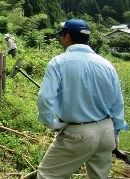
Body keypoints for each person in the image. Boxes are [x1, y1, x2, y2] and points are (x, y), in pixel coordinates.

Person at [37, 19, 127, 179]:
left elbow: (45, 98)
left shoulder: (58, 63)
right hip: (106, 131)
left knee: (47, 175)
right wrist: (116, 131)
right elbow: (118, 104)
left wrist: (50, 122)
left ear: (67, 37)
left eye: (62, 36)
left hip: (78, 133)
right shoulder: (106, 65)